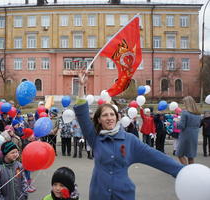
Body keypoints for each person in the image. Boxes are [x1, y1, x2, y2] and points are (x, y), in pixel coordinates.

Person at [73, 71, 183, 200]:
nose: (109, 118)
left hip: (123, 195)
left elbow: (156, 157)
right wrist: (81, 86)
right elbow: (82, 114)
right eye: (105, 115)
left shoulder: (130, 140)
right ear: (99, 120)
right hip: (99, 195)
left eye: (112, 114)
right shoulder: (95, 138)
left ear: (117, 117)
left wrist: (182, 171)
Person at [176, 96, 201, 165]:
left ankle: (186, 170)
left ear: (187, 103)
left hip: (185, 135)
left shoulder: (185, 113)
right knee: (191, 156)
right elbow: (198, 125)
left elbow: (181, 126)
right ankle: (191, 171)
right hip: (194, 135)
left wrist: (177, 122)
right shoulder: (198, 114)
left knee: (179, 154)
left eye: (184, 103)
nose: (183, 104)